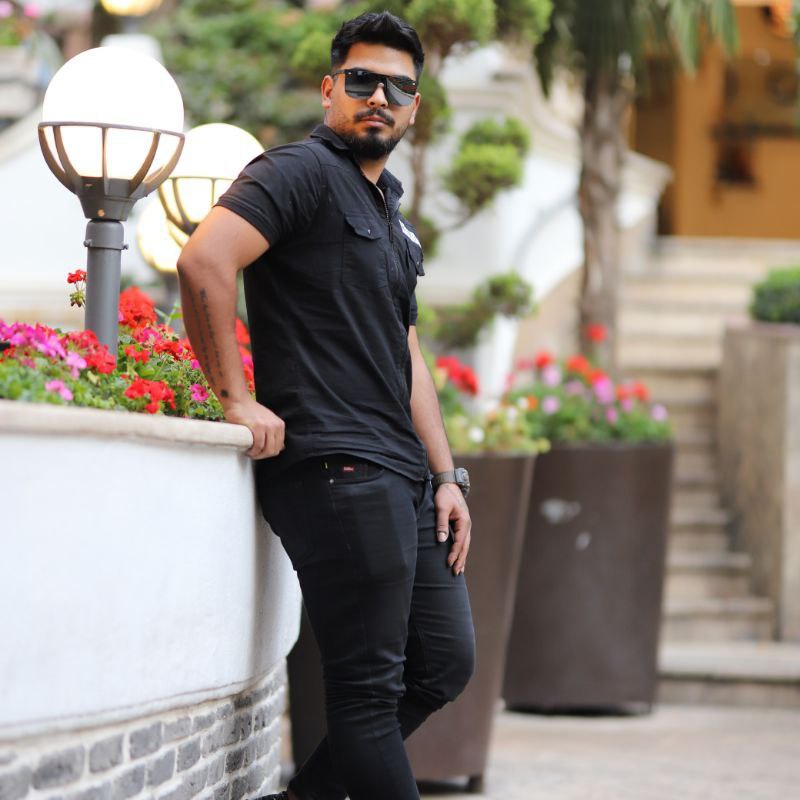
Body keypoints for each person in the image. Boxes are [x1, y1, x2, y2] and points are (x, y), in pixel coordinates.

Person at [176, 11, 475, 800]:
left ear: (415, 107)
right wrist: (235, 397)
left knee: (445, 662)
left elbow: (406, 352)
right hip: (338, 469)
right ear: (329, 88)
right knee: (366, 696)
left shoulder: (389, 212)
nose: (380, 97)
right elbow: (204, 261)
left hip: (404, 475)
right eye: (362, 80)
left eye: (399, 88)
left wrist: (447, 475)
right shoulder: (298, 172)